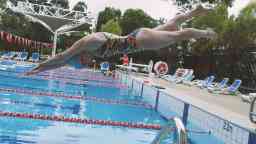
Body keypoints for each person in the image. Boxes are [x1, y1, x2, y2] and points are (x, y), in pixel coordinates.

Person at [25, 5, 217, 75]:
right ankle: (194, 11)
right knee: (171, 25)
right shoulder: (88, 50)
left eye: (84, 64)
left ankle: (206, 33)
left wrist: (38, 67)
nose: (89, 64)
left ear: (80, 57)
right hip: (137, 37)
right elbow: (61, 62)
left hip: (141, 41)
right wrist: (38, 70)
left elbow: (61, 57)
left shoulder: (87, 43)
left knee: (178, 35)